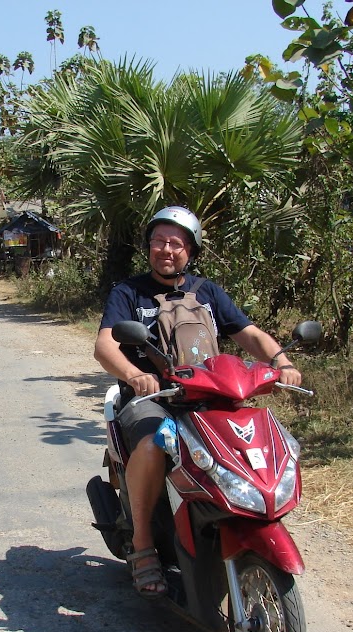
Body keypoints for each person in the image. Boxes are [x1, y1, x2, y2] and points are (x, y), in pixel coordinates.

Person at [93, 206, 303, 598]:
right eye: (158, 241)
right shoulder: (128, 292)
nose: (165, 250)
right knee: (154, 443)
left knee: (250, 442)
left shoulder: (208, 292)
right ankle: (143, 546)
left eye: (175, 243)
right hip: (154, 397)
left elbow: (249, 334)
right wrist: (135, 374)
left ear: (191, 250)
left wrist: (281, 361)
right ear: (148, 247)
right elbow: (105, 345)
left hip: (207, 395)